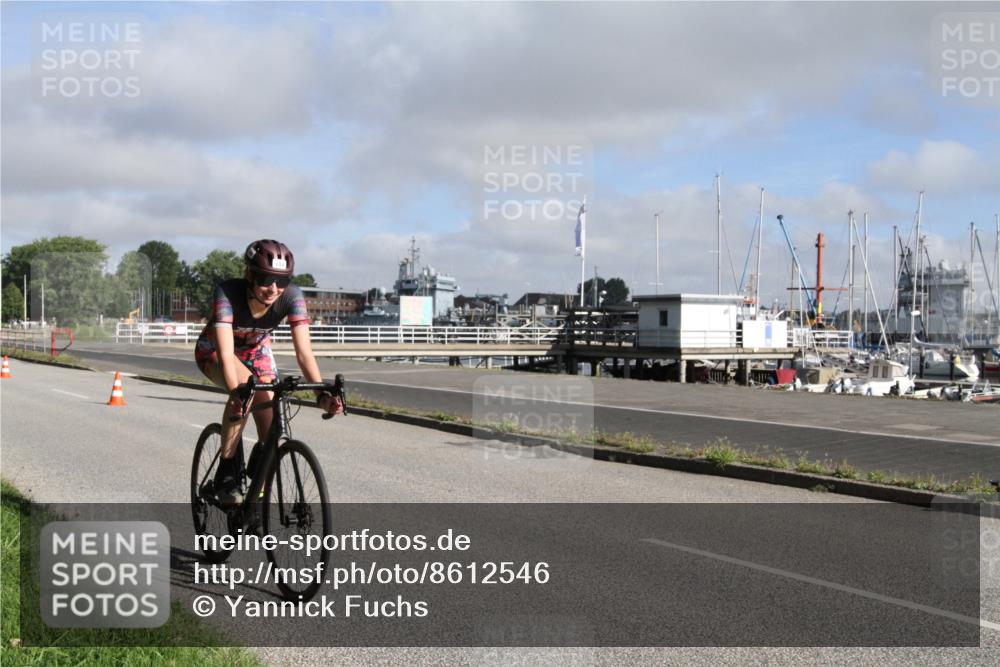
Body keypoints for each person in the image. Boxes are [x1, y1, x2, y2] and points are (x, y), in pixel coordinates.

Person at [195, 239, 342, 505]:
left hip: (255, 350)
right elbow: (227, 356)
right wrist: (237, 394)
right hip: (216, 350)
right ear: (249, 275)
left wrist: (321, 393)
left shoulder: (292, 296)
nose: (274, 289)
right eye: (264, 279)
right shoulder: (227, 293)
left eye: (282, 281)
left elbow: (304, 354)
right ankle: (226, 472)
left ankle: (256, 496)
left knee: (271, 425)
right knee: (246, 393)